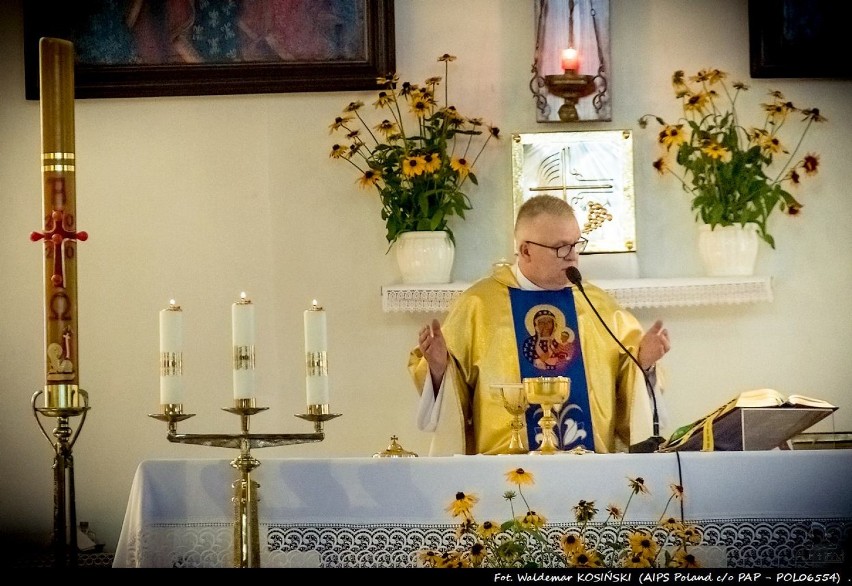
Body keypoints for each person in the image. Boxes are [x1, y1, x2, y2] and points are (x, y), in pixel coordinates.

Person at [408, 195, 671, 456]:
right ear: (525, 250)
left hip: (589, 466)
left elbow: (630, 393)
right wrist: (440, 368)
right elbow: (452, 406)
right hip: (504, 470)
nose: (572, 257)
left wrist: (644, 362)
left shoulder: (598, 306)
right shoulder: (478, 305)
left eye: (575, 244)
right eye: (560, 248)